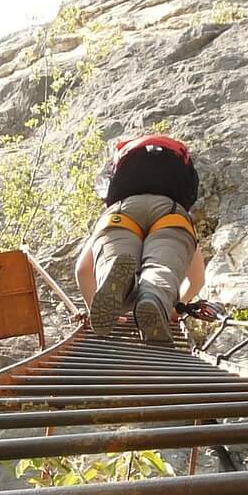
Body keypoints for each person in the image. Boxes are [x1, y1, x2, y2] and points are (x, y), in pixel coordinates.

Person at [74, 132, 208, 342]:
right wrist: (174, 306)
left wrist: (95, 309)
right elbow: (197, 280)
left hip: (120, 213)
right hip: (172, 214)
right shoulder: (179, 203)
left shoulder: (119, 193)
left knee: (112, 260)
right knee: (162, 269)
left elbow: (82, 270)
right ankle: (154, 296)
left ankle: (118, 280)